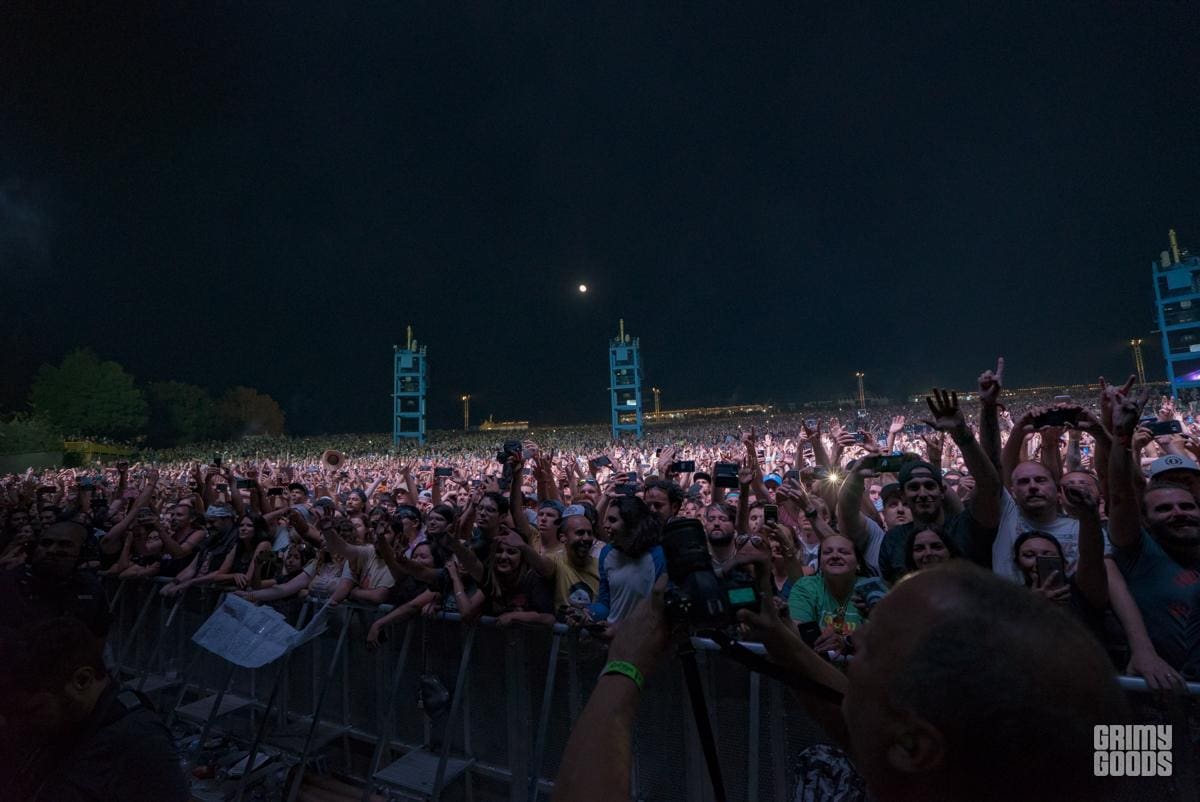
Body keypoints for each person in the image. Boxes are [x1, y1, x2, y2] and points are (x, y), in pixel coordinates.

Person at [552, 562, 1131, 802]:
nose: (851, 658)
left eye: (869, 651)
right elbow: (867, 725)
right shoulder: (1085, 756)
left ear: (914, 745)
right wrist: (783, 641)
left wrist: (625, 666)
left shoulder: (912, 749)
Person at [0, 617, 190, 802]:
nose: (25, 722)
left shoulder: (140, 744)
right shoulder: (70, 724)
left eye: (35, 709)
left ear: (82, 680)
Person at [1107, 383, 1200, 681]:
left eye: (1186, 506)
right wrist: (1122, 436)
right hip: (1168, 692)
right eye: (1164, 509)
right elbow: (1121, 494)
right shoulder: (1140, 552)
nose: (1178, 512)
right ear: (1145, 520)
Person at [875, 382, 1003, 583]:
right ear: (903, 495)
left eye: (929, 486)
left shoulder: (964, 527)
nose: (922, 493)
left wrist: (962, 434)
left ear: (943, 490)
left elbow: (989, 485)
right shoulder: (894, 540)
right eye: (914, 487)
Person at [0, 520, 110, 639]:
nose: (51, 550)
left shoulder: (90, 587)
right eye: (45, 543)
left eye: (64, 545)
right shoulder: (10, 582)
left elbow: (98, 634)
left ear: (83, 552)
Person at [788, 535, 887, 659]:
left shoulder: (871, 588)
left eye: (844, 552)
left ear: (858, 563)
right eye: (827, 552)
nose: (835, 556)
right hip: (817, 665)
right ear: (820, 563)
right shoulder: (805, 586)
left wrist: (846, 642)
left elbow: (885, 638)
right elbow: (799, 632)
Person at [586, 495, 665, 626]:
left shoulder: (658, 556)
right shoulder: (606, 553)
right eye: (606, 520)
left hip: (643, 635)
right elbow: (605, 602)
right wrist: (588, 613)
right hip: (611, 635)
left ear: (631, 523)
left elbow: (659, 611)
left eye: (612, 520)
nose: (605, 525)